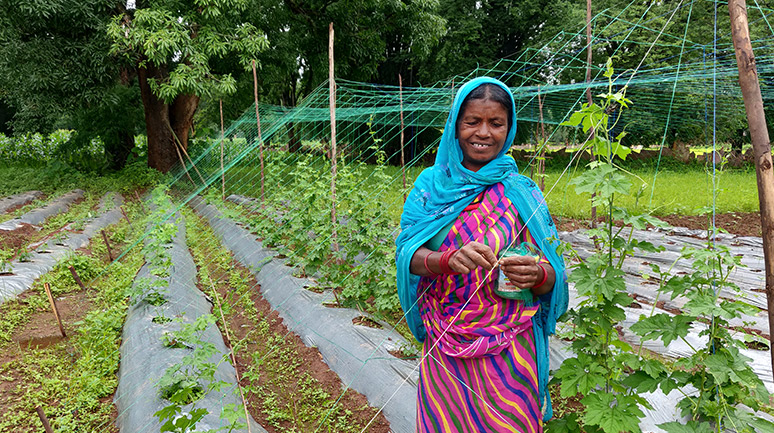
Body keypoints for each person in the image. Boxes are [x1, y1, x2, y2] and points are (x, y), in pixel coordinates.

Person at [395, 77, 568, 433]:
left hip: (511, 346)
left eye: (496, 123)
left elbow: (553, 268)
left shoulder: (521, 191)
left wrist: (537, 275)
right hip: (446, 341)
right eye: (472, 121)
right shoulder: (432, 185)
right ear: (456, 125)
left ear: (510, 127)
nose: (484, 133)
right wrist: (446, 260)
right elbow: (408, 254)